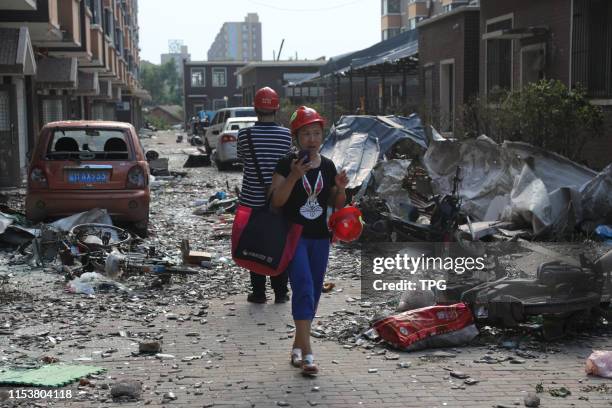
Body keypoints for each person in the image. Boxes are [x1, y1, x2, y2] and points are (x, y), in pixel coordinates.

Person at [269, 106, 349, 376]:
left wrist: (340, 187)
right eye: (306, 134)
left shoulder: (327, 165)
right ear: (296, 137)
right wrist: (294, 176)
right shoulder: (285, 164)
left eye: (316, 133)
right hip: (295, 236)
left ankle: (297, 345)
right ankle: (308, 354)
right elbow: (276, 201)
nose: (312, 139)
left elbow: (337, 204)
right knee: (302, 286)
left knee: (313, 292)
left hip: (321, 237)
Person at [237, 87, 292, 304]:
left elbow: (242, 160)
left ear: (255, 108)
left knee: (254, 246)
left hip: (251, 202)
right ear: (276, 109)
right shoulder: (287, 135)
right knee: (278, 244)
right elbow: (288, 165)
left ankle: (258, 293)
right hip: (280, 202)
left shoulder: (244, 135)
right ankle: (281, 292)